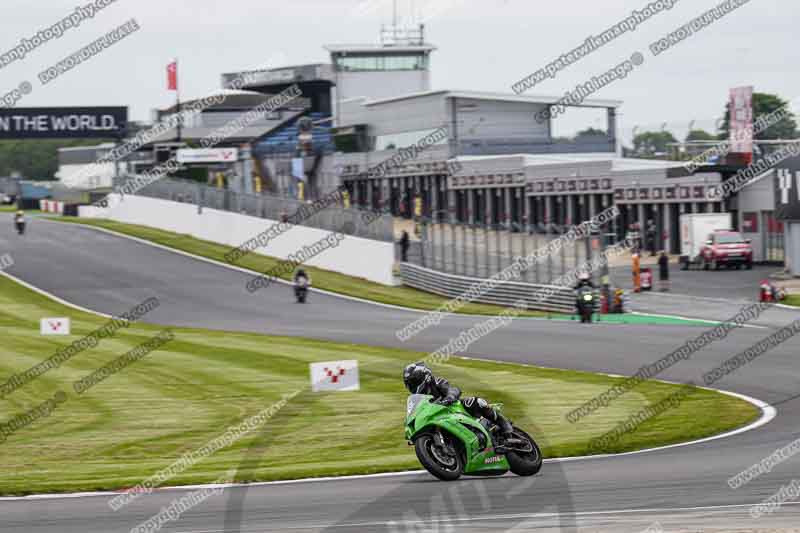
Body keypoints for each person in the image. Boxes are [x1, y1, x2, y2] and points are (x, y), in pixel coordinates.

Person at [403, 362, 522, 447]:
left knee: (476, 402)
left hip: (455, 408)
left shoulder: (437, 382)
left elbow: (453, 389)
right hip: (440, 418)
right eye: (409, 384)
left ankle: (507, 431)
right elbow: (415, 411)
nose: (411, 386)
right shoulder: (419, 398)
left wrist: (449, 397)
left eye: (413, 382)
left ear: (424, 377)